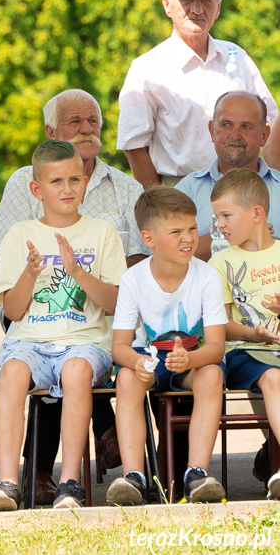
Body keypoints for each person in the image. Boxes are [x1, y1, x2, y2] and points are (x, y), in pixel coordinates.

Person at [0, 89, 146, 502]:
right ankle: (10, 480)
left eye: (93, 120)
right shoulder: (23, 213)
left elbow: (122, 294)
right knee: (17, 370)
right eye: (75, 121)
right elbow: (12, 305)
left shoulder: (119, 201)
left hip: (95, 330)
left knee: (75, 368)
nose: (87, 128)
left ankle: (68, 480)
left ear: (85, 182)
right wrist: (29, 272)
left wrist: (76, 271)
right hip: (31, 331)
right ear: (38, 188)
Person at [107, 187, 227, 506]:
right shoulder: (134, 279)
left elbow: (216, 346)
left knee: (212, 375)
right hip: (147, 359)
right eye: (176, 232)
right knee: (127, 379)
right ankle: (134, 476)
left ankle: (196, 473)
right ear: (149, 238)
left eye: (192, 228)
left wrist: (189, 360)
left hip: (193, 357)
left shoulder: (207, 277)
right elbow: (119, 346)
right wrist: (136, 364)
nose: (188, 238)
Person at [117, 0, 278, 190]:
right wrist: (161, 205)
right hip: (180, 193)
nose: (197, 9)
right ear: (167, 4)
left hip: (245, 189)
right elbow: (134, 146)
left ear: (218, 7)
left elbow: (271, 125)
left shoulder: (238, 57)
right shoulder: (146, 69)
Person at [208, 169, 280, 499]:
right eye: (217, 217)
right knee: (274, 379)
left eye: (226, 215)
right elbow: (220, 325)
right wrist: (255, 333)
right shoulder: (220, 262)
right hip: (245, 351)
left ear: (256, 213)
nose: (220, 224)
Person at [177, 92, 280, 261]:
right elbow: (168, 255)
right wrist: (234, 235)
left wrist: (264, 242)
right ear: (212, 130)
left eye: (246, 126)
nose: (235, 135)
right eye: (226, 125)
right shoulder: (188, 190)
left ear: (264, 135)